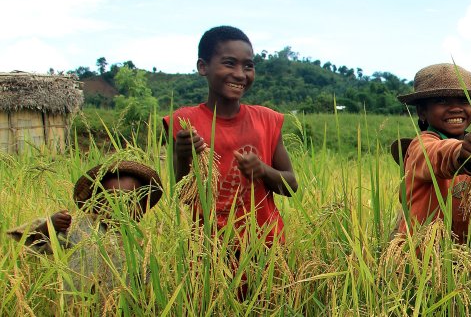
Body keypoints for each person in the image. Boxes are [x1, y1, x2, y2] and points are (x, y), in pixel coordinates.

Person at [166, 25, 299, 246]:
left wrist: (263, 170)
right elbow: (182, 194)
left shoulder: (267, 120)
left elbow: (291, 186)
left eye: (248, 66)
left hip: (265, 248)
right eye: (229, 63)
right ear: (203, 67)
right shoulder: (184, 123)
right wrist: (182, 155)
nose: (240, 74)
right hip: (208, 251)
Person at [6, 160, 163, 296]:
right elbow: (33, 242)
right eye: (111, 200)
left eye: (130, 201)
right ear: (95, 205)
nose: (120, 208)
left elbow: (148, 280)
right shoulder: (79, 227)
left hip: (123, 306)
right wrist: (49, 226)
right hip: (79, 304)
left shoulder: (141, 240)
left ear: (142, 207)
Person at [394, 63, 471, 243]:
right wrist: (460, 153)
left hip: (466, 255)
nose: (456, 108)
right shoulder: (420, 147)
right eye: (442, 101)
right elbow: (438, 154)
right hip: (423, 255)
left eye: (463, 101)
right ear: (422, 112)